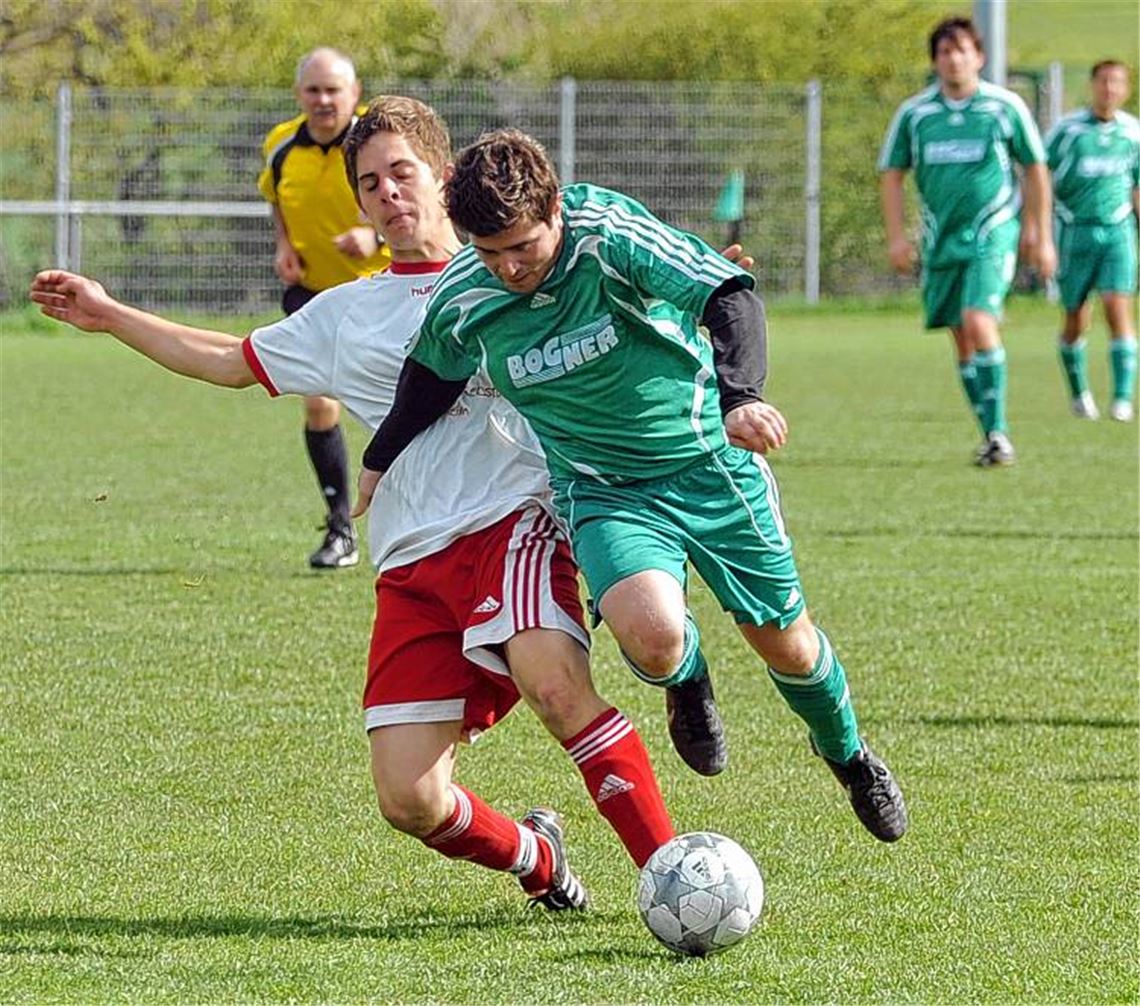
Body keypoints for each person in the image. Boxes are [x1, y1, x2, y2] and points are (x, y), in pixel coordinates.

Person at [31, 96, 679, 910]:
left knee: (555, 683)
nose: (389, 194)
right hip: (412, 561)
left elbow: (623, 300)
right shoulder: (348, 313)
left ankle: (674, 876)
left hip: (515, 521)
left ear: (443, 176)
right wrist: (108, 315)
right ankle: (538, 860)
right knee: (411, 799)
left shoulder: (516, 265)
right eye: (371, 183)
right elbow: (230, 359)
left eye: (403, 173)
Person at [354, 128, 909, 843]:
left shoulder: (609, 235)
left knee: (788, 646)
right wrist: (379, 455)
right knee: (649, 636)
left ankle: (850, 756)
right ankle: (686, 676)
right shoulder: (468, 292)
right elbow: (431, 373)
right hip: (604, 489)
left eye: (523, 247)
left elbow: (729, 294)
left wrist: (741, 398)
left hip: (708, 464)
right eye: (490, 254)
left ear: (554, 208)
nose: (511, 269)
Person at [878, 16, 1057, 467]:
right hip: (941, 239)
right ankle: (989, 434)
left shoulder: (1003, 107)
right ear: (936, 61)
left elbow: (1035, 168)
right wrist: (898, 237)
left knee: (978, 320)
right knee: (960, 337)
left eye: (961, 50)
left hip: (992, 232)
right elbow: (892, 174)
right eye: (944, 52)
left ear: (979, 56)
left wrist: (1040, 233)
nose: (953, 59)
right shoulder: (916, 115)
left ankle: (1000, 432)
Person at [258, 48, 392, 568]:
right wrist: (284, 245)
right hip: (313, 297)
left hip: (377, 291)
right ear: (299, 96)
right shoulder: (281, 145)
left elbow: (413, 208)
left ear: (354, 94)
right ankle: (341, 529)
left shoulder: (373, 145)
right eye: (313, 90)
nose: (323, 100)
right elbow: (276, 197)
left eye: (333, 90)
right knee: (318, 405)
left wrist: (373, 238)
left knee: (400, 409)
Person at [1044, 60, 1140, 422]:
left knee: (1119, 308)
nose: (1109, 89)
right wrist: (1036, 226)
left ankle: (1121, 399)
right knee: (1075, 318)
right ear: (1092, 86)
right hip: (1074, 231)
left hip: (1118, 231)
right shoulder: (1067, 131)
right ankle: (1080, 394)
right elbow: (1039, 171)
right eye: (1103, 82)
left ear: (1126, 89)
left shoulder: (1133, 132)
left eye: (1117, 82)